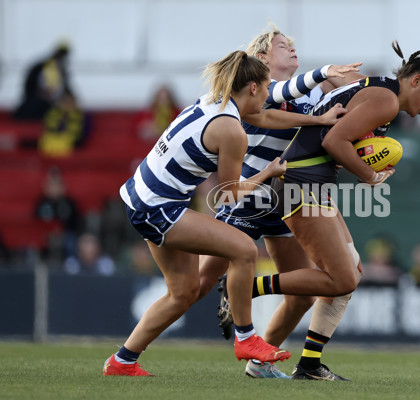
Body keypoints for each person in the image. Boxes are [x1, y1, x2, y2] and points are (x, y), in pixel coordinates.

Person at [103, 49, 347, 377]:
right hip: (159, 206)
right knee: (244, 250)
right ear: (253, 89)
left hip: (142, 196)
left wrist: (318, 120)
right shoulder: (231, 130)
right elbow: (228, 193)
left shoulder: (216, 101)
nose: (268, 97)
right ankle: (246, 338)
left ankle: (122, 361)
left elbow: (264, 117)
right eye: (266, 89)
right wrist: (267, 173)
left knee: (185, 292)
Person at [248, 37, 420, 353]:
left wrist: (363, 158)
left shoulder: (378, 87)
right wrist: (370, 175)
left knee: (352, 271)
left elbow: (334, 138)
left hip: (308, 181)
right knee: (342, 280)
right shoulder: (388, 101)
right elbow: (333, 141)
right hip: (301, 182)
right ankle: (250, 286)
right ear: (416, 80)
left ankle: (306, 362)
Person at [194, 25, 364, 380]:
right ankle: (128, 354)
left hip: (287, 201)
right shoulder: (257, 90)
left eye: (292, 45)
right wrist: (324, 75)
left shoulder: (308, 98)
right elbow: (283, 91)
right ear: (262, 59)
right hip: (248, 197)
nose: (291, 49)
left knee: (302, 294)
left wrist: (354, 87)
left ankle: (260, 363)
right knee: (196, 286)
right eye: (282, 45)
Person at [34, 166, 82, 266]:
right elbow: (35, 222)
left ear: (63, 187)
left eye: (57, 186)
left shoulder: (70, 203)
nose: (55, 189)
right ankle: (39, 265)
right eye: (52, 186)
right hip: (45, 236)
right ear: (46, 187)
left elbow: (76, 222)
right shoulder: (41, 203)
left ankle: (71, 265)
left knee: (71, 241)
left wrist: (62, 232)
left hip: (66, 235)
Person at [13, 42, 72, 120]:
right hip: (37, 106)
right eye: (61, 55)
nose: (62, 58)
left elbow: (66, 90)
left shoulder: (61, 71)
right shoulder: (41, 68)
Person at [37, 90, 89, 158]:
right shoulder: (54, 112)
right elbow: (50, 126)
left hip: (71, 140)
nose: (67, 104)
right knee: (48, 141)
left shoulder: (80, 114)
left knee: (64, 143)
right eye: (65, 101)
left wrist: (70, 116)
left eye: (69, 101)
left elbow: (79, 132)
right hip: (54, 138)